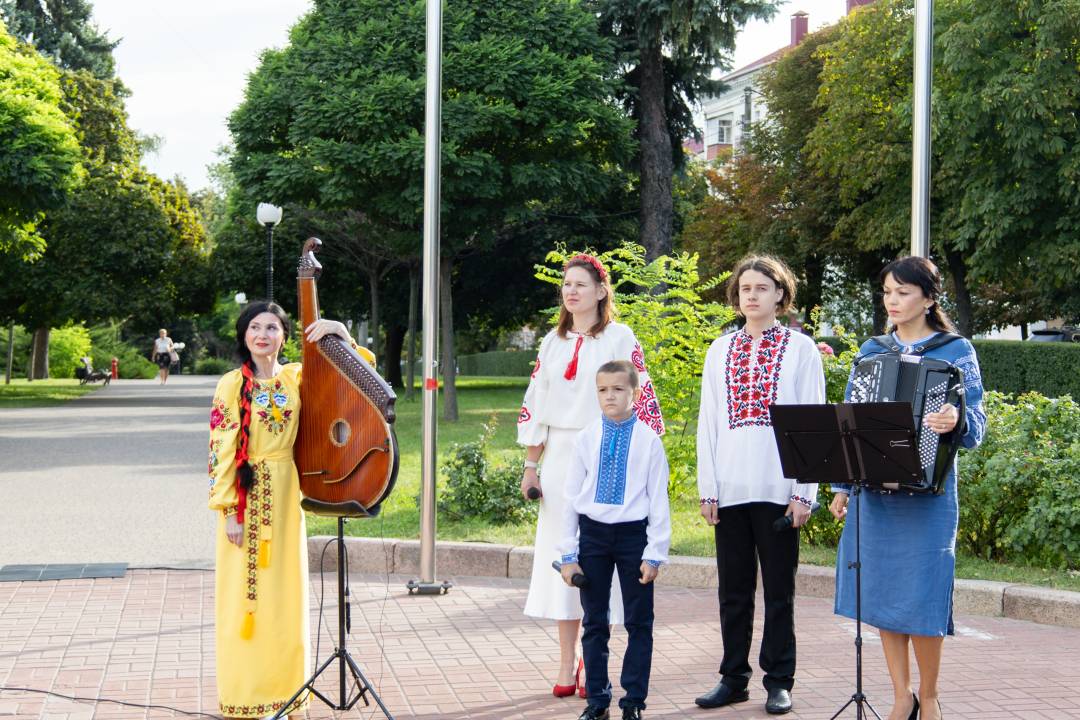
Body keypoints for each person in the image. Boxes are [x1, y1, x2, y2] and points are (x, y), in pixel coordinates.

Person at [828, 257, 985, 720]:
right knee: (881, 596)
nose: (892, 302)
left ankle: (930, 697)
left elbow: (978, 426)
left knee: (922, 597)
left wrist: (956, 419)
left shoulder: (956, 352)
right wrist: (841, 486)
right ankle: (902, 696)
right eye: (887, 293)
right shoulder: (871, 350)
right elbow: (852, 423)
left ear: (929, 298)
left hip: (929, 498)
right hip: (874, 495)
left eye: (902, 293)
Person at [207, 300, 373, 719]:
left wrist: (337, 329)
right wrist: (229, 509)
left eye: (272, 328)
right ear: (244, 336)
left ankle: (287, 696)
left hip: (285, 495)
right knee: (245, 601)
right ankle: (245, 697)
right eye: (255, 327)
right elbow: (220, 448)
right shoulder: (231, 384)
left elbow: (360, 370)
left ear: (284, 336)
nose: (263, 335)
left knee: (285, 597)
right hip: (246, 500)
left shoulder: (298, 376)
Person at [518, 254, 665, 698]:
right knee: (567, 557)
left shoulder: (620, 336)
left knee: (603, 556)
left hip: (609, 451)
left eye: (581, 284)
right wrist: (531, 464)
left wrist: (642, 458)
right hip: (562, 456)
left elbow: (641, 397)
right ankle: (567, 662)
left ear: (601, 291)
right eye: (567, 285)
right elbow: (536, 397)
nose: (572, 291)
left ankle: (594, 658)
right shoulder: (551, 341)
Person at [694, 255, 825, 715]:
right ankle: (733, 678)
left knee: (779, 592)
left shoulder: (800, 349)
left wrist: (803, 493)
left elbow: (812, 423)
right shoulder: (719, 350)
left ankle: (779, 680)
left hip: (779, 488)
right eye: (745, 288)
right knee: (732, 591)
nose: (752, 295)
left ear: (780, 295)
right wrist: (708, 489)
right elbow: (708, 422)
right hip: (730, 488)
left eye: (762, 288)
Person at [557, 360, 671, 720]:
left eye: (618, 389)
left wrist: (654, 554)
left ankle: (633, 701)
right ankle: (597, 700)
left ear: (634, 394)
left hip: (632, 536)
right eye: (603, 389)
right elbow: (571, 497)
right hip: (593, 535)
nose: (610, 396)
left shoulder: (649, 441)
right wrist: (568, 553)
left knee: (639, 621)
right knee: (594, 620)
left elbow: (658, 502)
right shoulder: (587, 437)